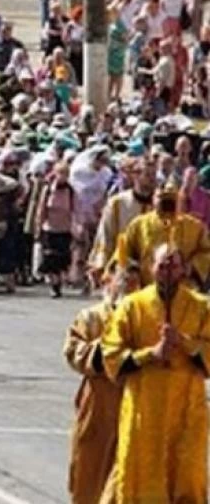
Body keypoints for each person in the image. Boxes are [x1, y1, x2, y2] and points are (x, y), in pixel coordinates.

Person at [101, 244, 210, 502]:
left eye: (173, 266)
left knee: (187, 472)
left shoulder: (201, 307)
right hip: (144, 403)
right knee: (139, 468)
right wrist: (150, 354)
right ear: (152, 269)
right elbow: (112, 353)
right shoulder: (132, 306)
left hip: (186, 404)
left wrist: (185, 342)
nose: (167, 272)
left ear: (183, 270)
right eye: (162, 266)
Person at [63, 262, 139, 504]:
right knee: (89, 474)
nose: (128, 285)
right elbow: (73, 351)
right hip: (98, 406)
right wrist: (107, 352)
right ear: (111, 281)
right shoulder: (92, 317)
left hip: (136, 404)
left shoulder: (148, 318)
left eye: (135, 281)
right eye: (123, 278)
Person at [115, 181, 210, 288]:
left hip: (185, 290)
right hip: (146, 290)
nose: (168, 203)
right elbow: (123, 253)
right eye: (163, 198)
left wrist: (191, 267)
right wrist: (132, 271)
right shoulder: (138, 224)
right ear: (153, 199)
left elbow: (206, 251)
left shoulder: (195, 226)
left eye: (171, 199)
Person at [90, 158, 155, 282]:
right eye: (147, 174)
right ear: (135, 175)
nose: (152, 179)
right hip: (123, 268)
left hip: (151, 271)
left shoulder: (160, 204)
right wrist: (100, 263)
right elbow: (105, 235)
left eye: (153, 174)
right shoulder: (117, 203)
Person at [36, 161, 75, 298]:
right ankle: (54, 285)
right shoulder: (48, 190)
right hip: (50, 228)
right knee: (50, 257)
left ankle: (58, 282)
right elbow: (42, 208)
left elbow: (74, 209)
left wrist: (76, 227)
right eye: (60, 173)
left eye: (65, 174)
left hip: (65, 228)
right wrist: (39, 225)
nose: (62, 177)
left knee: (62, 258)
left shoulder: (70, 190)